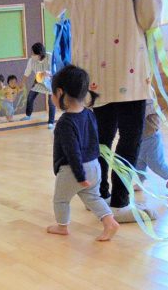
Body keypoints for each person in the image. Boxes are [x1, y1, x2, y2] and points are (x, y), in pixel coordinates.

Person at [43, 0, 162, 223]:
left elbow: (52, 3)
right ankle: (119, 203)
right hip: (128, 63)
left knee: (100, 138)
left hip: (91, 66)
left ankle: (98, 196)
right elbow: (149, 16)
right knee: (130, 138)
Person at [47, 65, 120, 241]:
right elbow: (95, 141)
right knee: (92, 197)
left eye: (52, 93)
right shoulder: (89, 113)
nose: (51, 97)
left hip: (73, 170)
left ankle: (62, 227)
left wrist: (80, 175)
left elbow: (72, 152)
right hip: (94, 165)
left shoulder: (65, 123)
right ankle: (110, 222)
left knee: (61, 200)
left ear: (60, 92)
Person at [135, 99, 168, 189]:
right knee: (138, 162)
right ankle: (140, 182)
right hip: (140, 138)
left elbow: (152, 113)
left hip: (151, 138)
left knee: (155, 163)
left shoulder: (148, 102)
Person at [20, 42, 56, 129]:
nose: (31, 55)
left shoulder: (50, 57)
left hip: (50, 81)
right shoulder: (31, 61)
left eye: (33, 53)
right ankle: (28, 115)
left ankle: (51, 122)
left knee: (51, 102)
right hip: (38, 80)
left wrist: (48, 73)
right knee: (30, 97)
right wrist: (22, 83)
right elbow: (27, 73)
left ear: (39, 54)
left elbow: (56, 71)